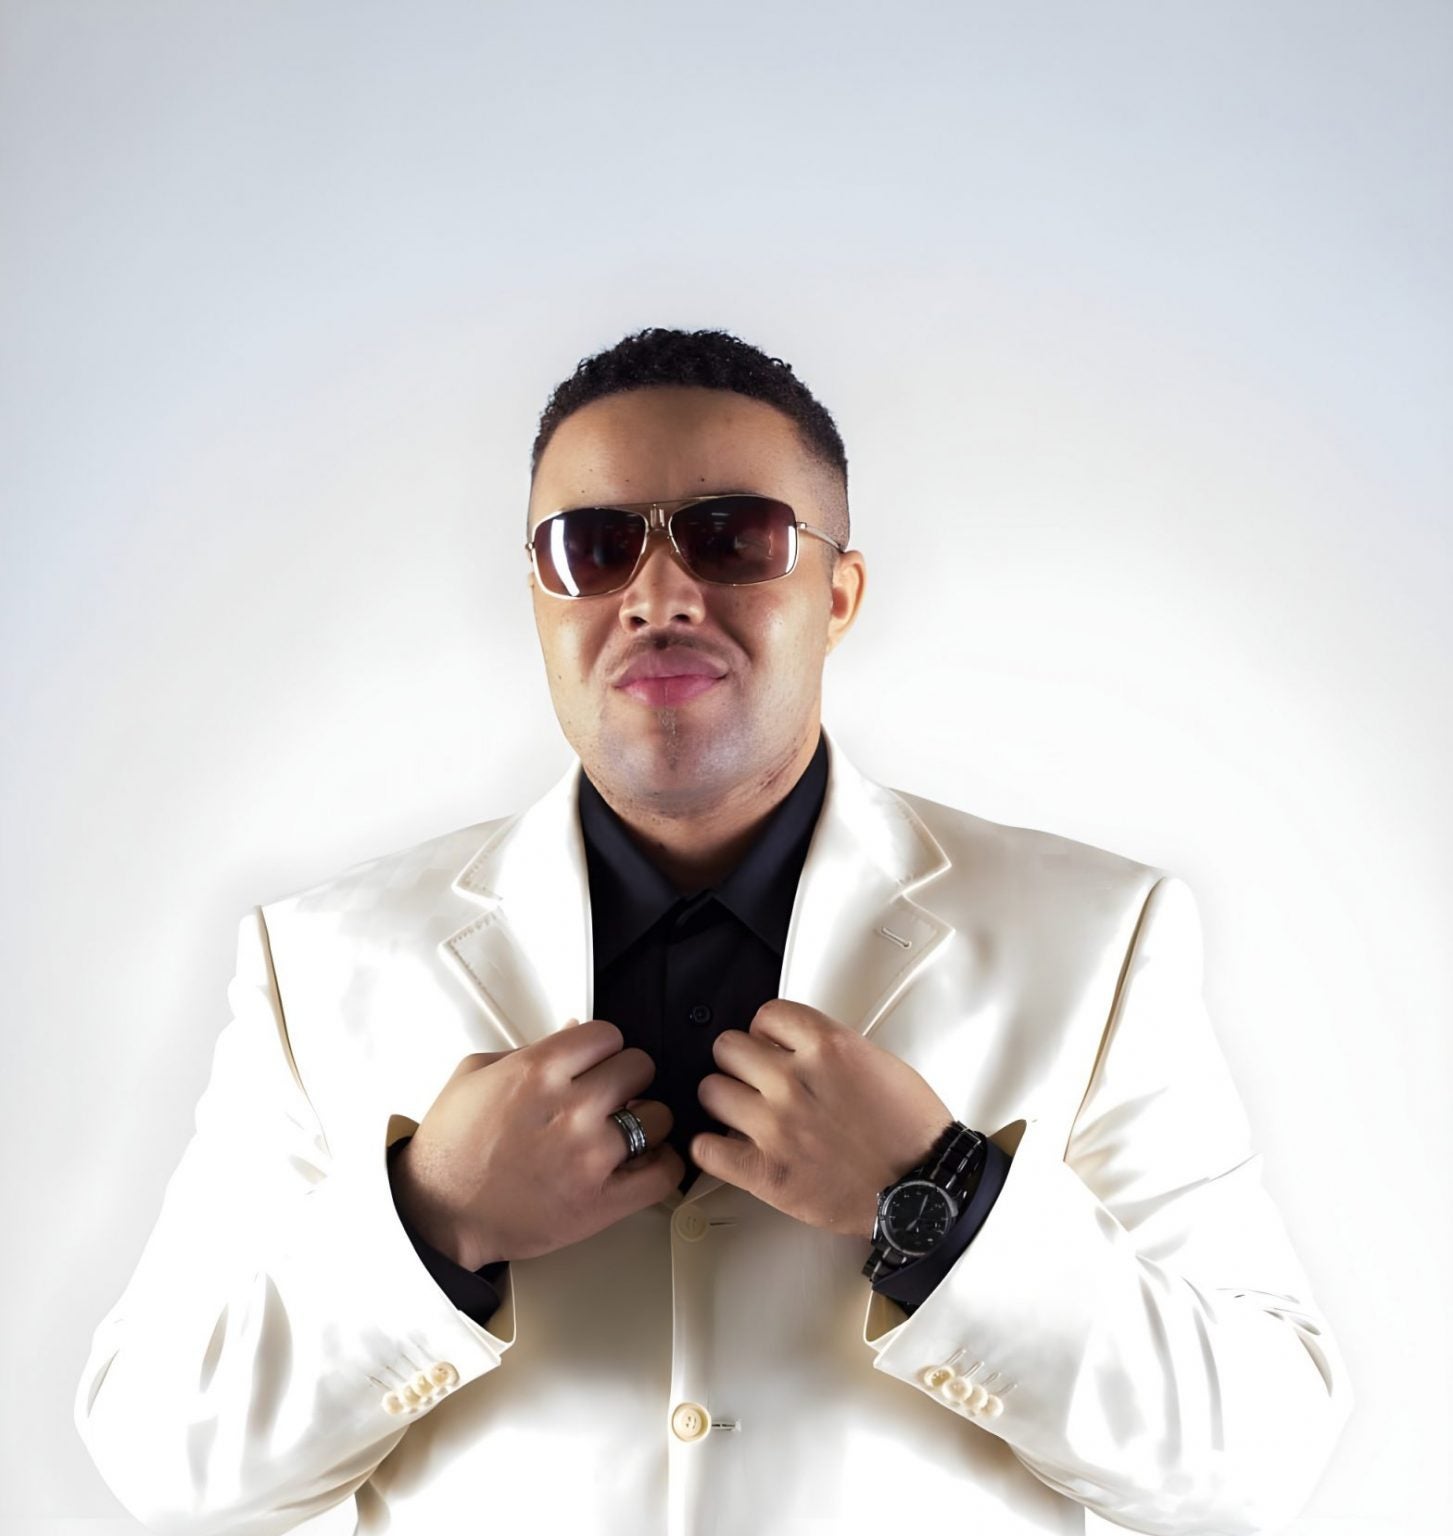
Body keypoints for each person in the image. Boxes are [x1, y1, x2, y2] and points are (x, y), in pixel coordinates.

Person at [74, 327, 1352, 1536]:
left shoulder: (1096, 939)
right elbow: (162, 1458)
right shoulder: (319, 962)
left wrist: (942, 1202)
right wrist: (430, 1220)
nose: (658, 594)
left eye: (732, 538)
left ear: (837, 593)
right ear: (538, 596)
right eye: (593, 547)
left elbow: (1259, 1459)